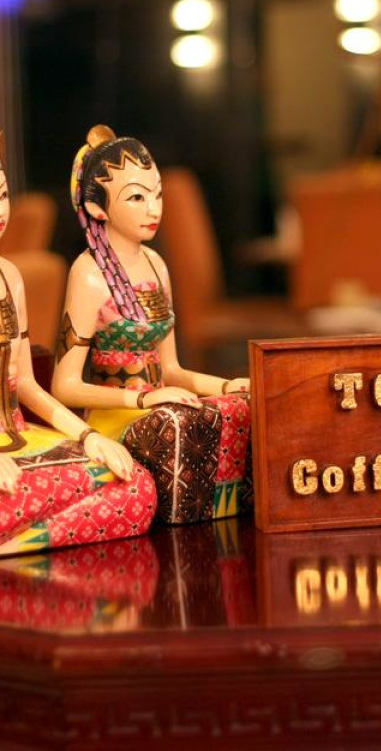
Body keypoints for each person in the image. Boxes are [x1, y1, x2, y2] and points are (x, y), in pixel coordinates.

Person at [0, 75, 156, 560]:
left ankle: (18, 538)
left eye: (1, 194)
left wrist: (88, 436)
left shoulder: (9, 275)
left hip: (23, 439)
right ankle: (40, 530)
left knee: (137, 486)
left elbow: (30, 387)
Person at [52, 125, 250, 524]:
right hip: (117, 415)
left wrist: (229, 386)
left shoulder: (156, 264)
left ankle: (221, 515)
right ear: (97, 208)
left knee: (238, 410)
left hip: (160, 402)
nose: (153, 208)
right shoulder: (88, 273)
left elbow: (171, 370)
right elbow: (65, 386)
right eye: (137, 197)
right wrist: (142, 400)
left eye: (156, 194)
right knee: (176, 423)